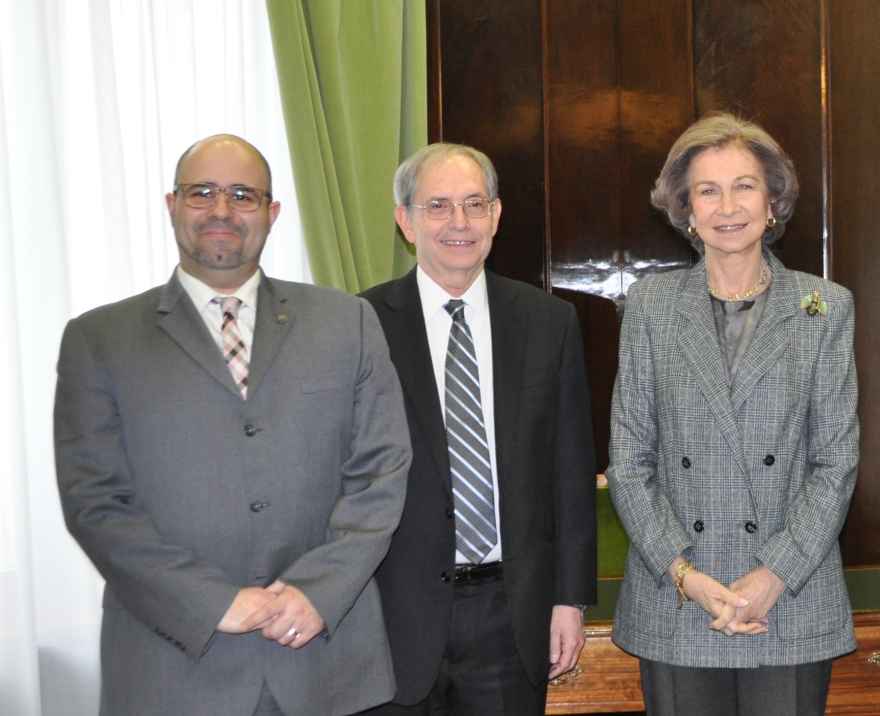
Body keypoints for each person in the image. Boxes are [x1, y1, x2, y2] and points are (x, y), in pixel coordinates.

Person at [54, 134, 412, 716]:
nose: (222, 210)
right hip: (171, 670)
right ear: (172, 205)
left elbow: (382, 471)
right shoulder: (99, 340)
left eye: (243, 195)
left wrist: (316, 592)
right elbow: (95, 502)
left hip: (325, 664)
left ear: (272, 214)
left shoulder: (348, 322)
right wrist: (213, 602)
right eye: (203, 192)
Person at [607, 113, 859, 716]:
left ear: (772, 201)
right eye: (708, 190)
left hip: (788, 600)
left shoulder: (823, 307)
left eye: (744, 186)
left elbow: (835, 463)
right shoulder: (650, 308)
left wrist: (771, 575)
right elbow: (629, 461)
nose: (728, 206)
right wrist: (685, 574)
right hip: (678, 599)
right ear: (686, 210)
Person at [360, 142, 597, 715]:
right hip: (395, 613)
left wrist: (569, 600)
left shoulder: (549, 322)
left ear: (496, 215)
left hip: (511, 612)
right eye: (437, 205)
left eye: (474, 204)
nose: (458, 222)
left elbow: (570, 470)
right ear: (405, 221)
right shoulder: (360, 325)